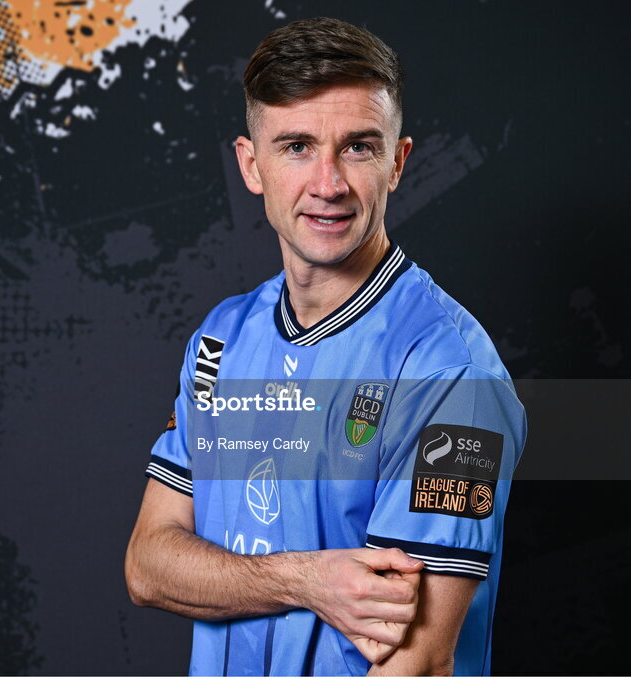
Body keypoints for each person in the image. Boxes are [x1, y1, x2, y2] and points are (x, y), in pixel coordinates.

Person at [125, 16, 526, 676]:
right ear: (251, 165)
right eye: (297, 147)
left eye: (359, 147)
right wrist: (304, 578)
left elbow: (416, 661)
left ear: (397, 163)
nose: (329, 183)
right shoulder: (220, 339)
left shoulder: (452, 373)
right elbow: (148, 564)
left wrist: (244, 577)